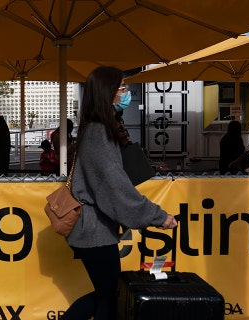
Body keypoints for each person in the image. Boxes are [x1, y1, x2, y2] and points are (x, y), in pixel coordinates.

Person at [62, 66, 178, 320]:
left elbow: (113, 181)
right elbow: (115, 189)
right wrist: (158, 216)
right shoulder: (98, 132)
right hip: (94, 233)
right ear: (108, 93)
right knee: (109, 296)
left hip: (94, 231)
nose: (127, 93)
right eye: (123, 88)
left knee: (106, 294)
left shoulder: (98, 128)